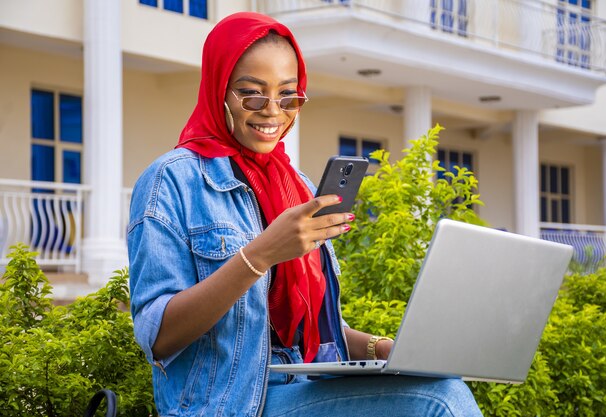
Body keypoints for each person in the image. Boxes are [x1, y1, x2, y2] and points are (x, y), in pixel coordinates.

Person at [128, 11, 483, 417]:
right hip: (230, 403)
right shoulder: (170, 181)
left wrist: (382, 349)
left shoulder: (295, 184)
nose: (273, 111)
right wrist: (258, 256)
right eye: (252, 94)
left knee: (441, 383)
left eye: (289, 96)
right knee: (440, 402)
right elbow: (158, 338)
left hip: (304, 385)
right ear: (218, 89)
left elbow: (306, 335)